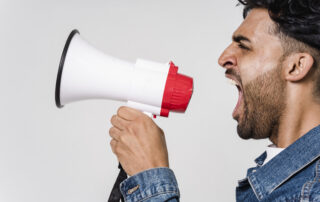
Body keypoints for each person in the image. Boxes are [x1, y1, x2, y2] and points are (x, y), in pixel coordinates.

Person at [108, 0, 320, 201]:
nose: (223, 57)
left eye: (244, 46)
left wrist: (150, 177)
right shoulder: (285, 181)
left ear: (296, 66)